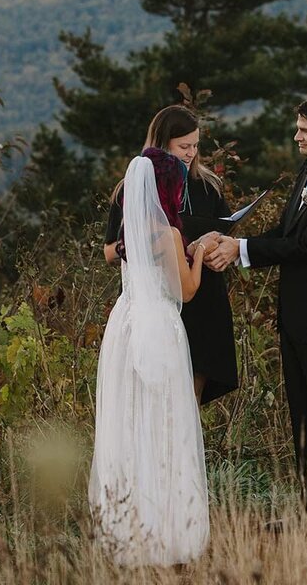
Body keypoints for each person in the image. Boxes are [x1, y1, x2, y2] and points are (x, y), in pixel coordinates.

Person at [206, 94, 307, 499]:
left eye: (305, 130)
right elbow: (285, 234)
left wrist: (241, 250)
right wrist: (232, 242)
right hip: (297, 317)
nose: (296, 136)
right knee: (304, 417)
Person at [89, 152, 210, 567]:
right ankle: (168, 529)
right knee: (165, 423)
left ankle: (127, 530)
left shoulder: (130, 229)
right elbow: (188, 290)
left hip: (124, 324)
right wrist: (200, 254)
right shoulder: (169, 235)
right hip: (159, 323)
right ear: (169, 189)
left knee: (128, 421)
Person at [104, 105, 238, 405]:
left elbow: (227, 231)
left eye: (195, 145)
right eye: (183, 146)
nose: (190, 153)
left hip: (204, 298)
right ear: (163, 144)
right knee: (154, 400)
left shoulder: (208, 186)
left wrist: (219, 247)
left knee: (191, 397)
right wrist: (153, 245)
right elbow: (110, 251)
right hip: (159, 300)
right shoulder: (133, 189)